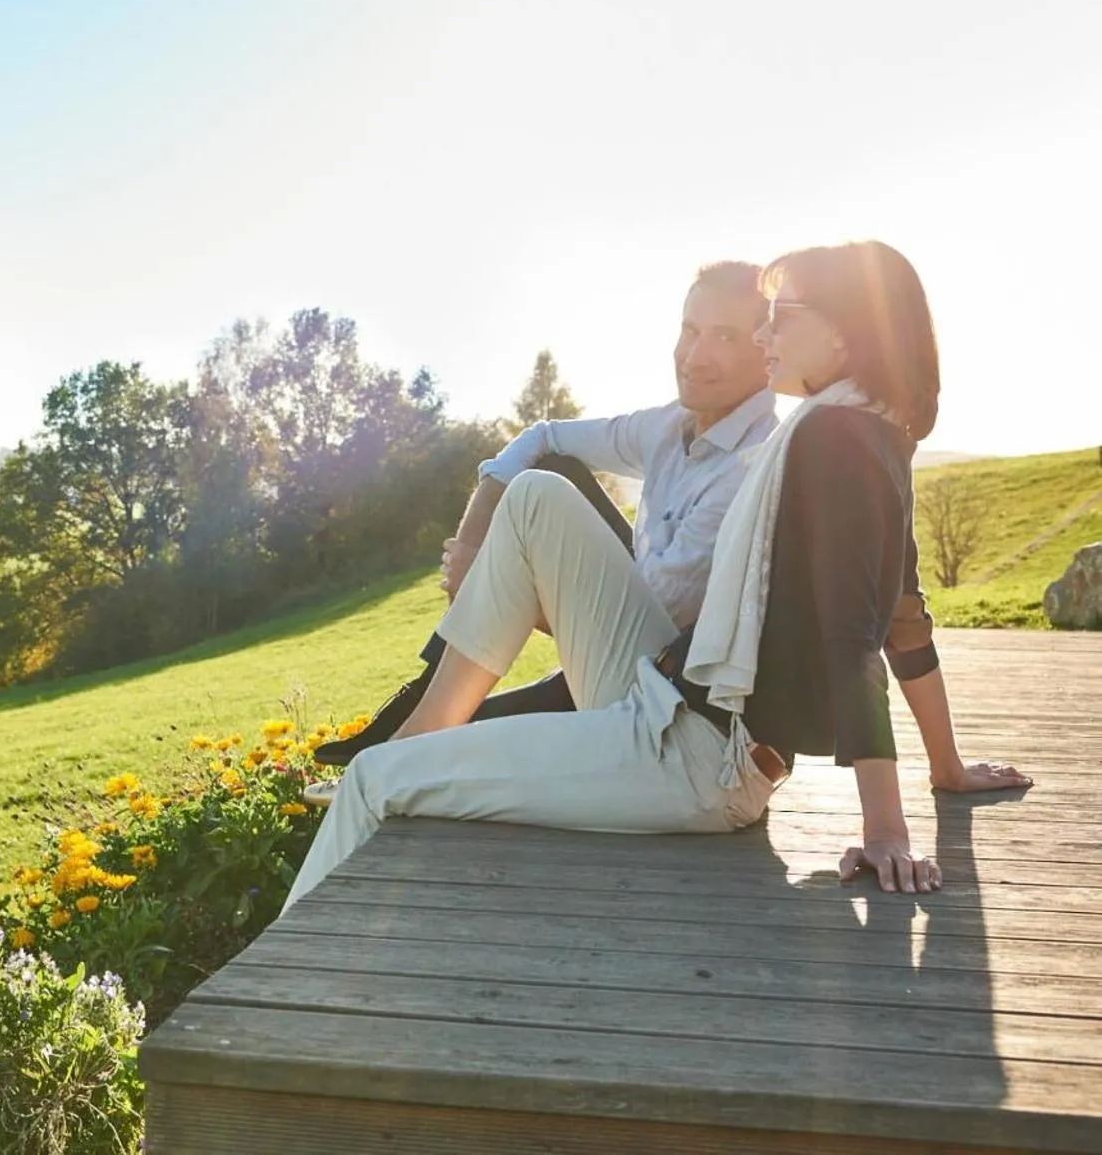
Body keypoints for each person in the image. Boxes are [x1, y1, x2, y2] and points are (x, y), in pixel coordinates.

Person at [286, 240, 1031, 912]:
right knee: (539, 492)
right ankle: (419, 739)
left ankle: (291, 1001)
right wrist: (946, 767)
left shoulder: (830, 440)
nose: (766, 336)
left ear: (846, 330)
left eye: (781, 318)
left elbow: (853, 635)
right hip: (673, 709)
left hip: (698, 758)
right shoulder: (868, 429)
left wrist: (884, 830)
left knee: (374, 780)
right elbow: (905, 612)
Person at [317, 261, 779, 766]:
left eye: (727, 338)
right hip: (621, 647)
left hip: (662, 697)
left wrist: (499, 582)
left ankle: (400, 743)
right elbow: (542, 437)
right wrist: (472, 547)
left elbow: (654, 628)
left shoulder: (749, 467)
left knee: (457, 737)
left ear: (767, 352)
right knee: (553, 464)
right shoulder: (669, 427)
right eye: (690, 330)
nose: (695, 356)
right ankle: (416, 706)